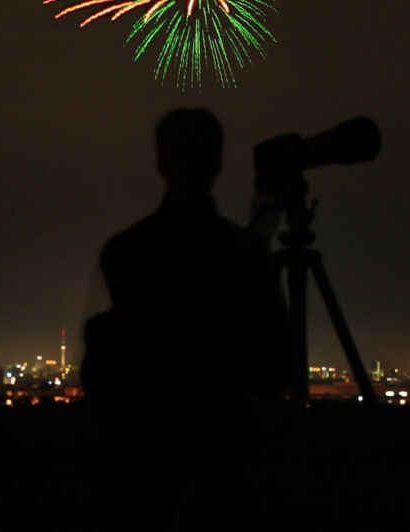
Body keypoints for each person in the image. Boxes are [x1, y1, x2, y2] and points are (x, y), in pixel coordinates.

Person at [81, 108, 287, 530]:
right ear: (218, 163)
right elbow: (272, 374)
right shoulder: (245, 255)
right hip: (223, 463)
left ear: (161, 162)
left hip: (138, 461)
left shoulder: (124, 252)